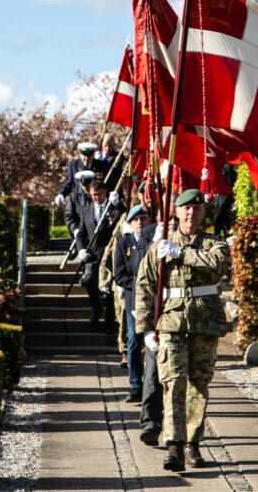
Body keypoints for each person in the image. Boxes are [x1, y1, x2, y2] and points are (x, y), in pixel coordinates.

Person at [135, 189, 231, 471]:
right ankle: (174, 446)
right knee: (173, 384)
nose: (191, 213)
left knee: (198, 385)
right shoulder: (159, 248)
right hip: (171, 325)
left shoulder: (216, 243)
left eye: (196, 209)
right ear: (176, 212)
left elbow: (218, 265)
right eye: (185, 209)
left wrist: (183, 254)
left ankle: (193, 444)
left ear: (203, 213)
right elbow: (143, 288)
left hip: (205, 323)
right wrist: (145, 330)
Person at [136, 196, 176, 447]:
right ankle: (150, 423)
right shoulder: (151, 236)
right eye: (169, 217)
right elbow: (142, 284)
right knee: (152, 376)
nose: (172, 222)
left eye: (176, 216)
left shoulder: (196, 243)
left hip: (182, 324)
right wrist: (146, 329)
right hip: (157, 322)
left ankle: (179, 435)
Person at [113, 204, 152, 402]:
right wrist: (139, 285)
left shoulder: (155, 242)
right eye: (136, 220)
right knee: (134, 343)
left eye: (143, 219)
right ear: (129, 223)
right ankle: (135, 386)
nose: (140, 223)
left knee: (154, 344)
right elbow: (119, 275)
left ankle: (153, 385)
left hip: (154, 300)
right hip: (134, 301)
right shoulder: (123, 245)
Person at [73, 178, 125, 325]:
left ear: (105, 192)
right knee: (89, 282)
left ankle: (109, 320)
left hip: (110, 254)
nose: (96, 197)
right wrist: (81, 249)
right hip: (93, 254)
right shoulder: (86, 210)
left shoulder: (113, 208)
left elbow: (124, 219)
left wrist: (118, 205)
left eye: (99, 194)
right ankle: (96, 310)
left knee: (109, 288)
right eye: (93, 194)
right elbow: (81, 234)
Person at [212, 162, 237, 238]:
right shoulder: (220, 165)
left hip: (225, 193)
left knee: (220, 213)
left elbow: (231, 182)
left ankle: (218, 234)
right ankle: (226, 234)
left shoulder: (228, 166)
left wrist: (233, 198)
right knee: (223, 215)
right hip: (220, 194)